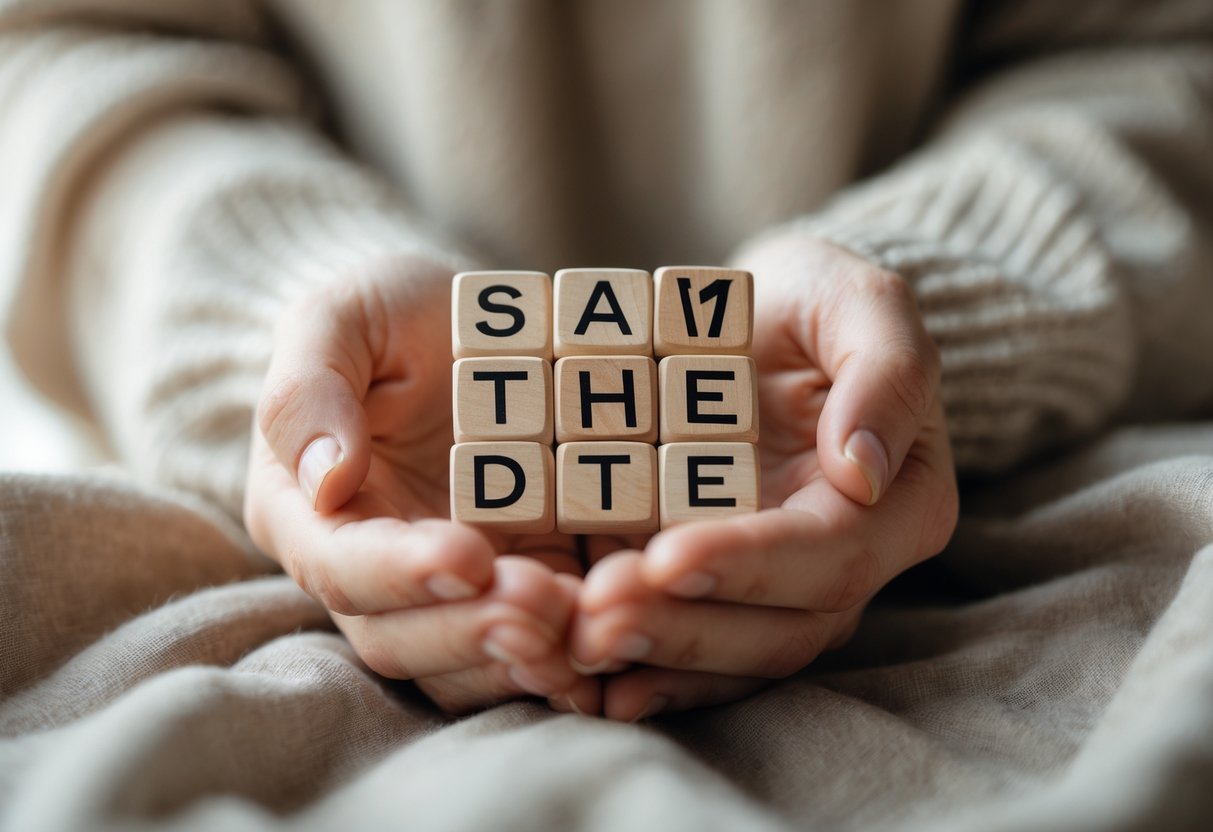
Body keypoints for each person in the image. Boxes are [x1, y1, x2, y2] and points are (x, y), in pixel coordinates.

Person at [3, 1, 1211, 723]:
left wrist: (924, 312)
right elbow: (58, 49)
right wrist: (282, 317)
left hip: (991, 521)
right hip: (294, 522)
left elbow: (1157, 52)